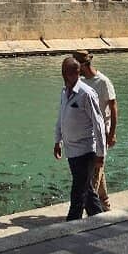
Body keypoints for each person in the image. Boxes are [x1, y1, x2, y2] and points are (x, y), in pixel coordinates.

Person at [53, 55, 106, 219]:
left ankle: (71, 224)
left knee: (78, 193)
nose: (75, 76)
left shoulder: (86, 93)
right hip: (71, 151)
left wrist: (100, 153)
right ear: (64, 74)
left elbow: (99, 124)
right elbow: (61, 117)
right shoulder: (64, 92)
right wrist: (57, 140)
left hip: (85, 151)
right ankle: (100, 220)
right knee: (88, 192)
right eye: (70, 73)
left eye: (77, 72)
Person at [72, 50, 118, 209]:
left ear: (83, 65)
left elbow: (113, 108)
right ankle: (105, 203)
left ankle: (91, 212)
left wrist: (112, 134)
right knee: (97, 169)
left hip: (101, 135)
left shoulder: (103, 82)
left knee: (92, 179)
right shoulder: (81, 82)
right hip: (86, 136)